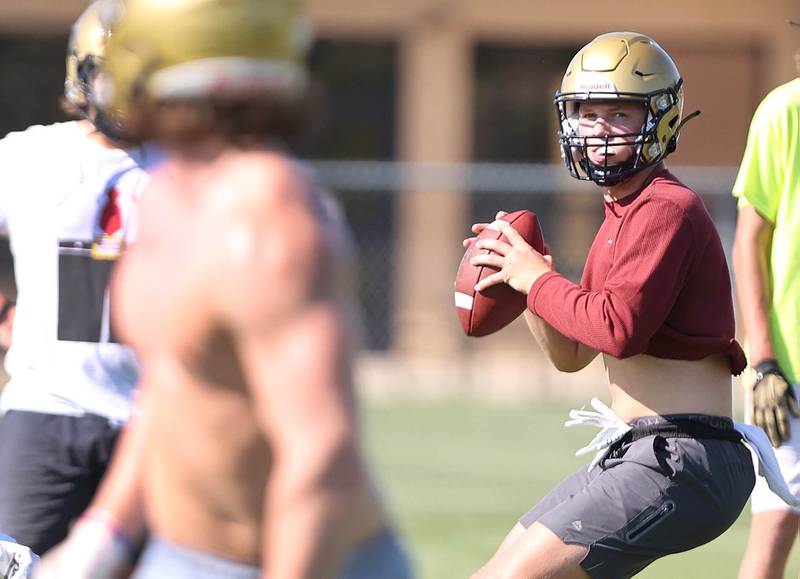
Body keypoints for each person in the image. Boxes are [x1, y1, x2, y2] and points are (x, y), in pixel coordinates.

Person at [38, 0, 413, 578]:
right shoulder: (167, 194)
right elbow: (174, 383)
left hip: (299, 561)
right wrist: (102, 535)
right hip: (184, 555)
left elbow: (321, 457)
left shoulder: (269, 217)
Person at [466, 32, 757, 578]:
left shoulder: (665, 207)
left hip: (684, 458)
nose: (599, 128)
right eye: (587, 112)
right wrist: (530, 280)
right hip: (643, 453)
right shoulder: (620, 214)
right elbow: (572, 354)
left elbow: (618, 331)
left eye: (620, 112)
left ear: (661, 118)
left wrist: (537, 282)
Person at [0, 0, 156, 557]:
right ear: (82, 75)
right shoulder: (29, 157)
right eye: (109, 75)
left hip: (159, 421)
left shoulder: (196, 169)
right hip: (47, 411)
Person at [733, 36, 800, 579]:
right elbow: (750, 242)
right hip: (791, 374)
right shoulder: (786, 110)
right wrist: (763, 363)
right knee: (774, 530)